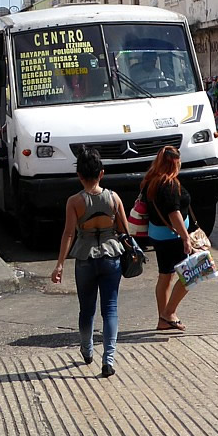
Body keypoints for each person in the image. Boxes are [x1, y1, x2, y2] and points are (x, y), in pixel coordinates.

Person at [51, 147, 127, 378]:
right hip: (111, 255)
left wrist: (60, 264)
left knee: (87, 309)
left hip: (85, 257)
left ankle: (86, 349)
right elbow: (124, 230)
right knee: (110, 308)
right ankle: (109, 359)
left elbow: (68, 234)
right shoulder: (114, 198)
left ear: (79, 176)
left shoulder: (74, 201)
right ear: (101, 173)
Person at [142, 146, 195, 333]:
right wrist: (186, 238)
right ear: (175, 163)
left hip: (157, 235)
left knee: (165, 275)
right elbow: (174, 213)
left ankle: (162, 319)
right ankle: (169, 313)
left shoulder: (151, 181)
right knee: (191, 274)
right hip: (172, 236)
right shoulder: (170, 184)